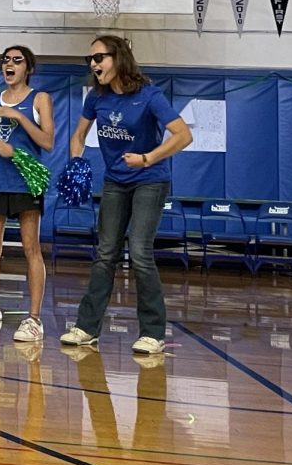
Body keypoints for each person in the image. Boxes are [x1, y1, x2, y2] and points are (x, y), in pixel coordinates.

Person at [61, 36, 193, 355]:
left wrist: (148, 157)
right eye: (90, 59)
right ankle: (87, 328)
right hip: (115, 181)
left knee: (139, 251)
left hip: (149, 179)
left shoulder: (148, 95)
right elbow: (78, 135)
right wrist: (77, 162)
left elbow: (183, 135)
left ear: (118, 58)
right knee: (105, 253)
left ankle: (153, 333)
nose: (93, 64)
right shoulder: (97, 97)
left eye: (99, 58)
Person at [0, 45, 54, 342]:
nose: (9, 64)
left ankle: (33, 319)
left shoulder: (40, 99)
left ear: (27, 68)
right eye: (5, 60)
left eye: (16, 61)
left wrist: (20, 119)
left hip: (24, 183)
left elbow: (47, 141)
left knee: (30, 248)